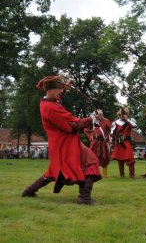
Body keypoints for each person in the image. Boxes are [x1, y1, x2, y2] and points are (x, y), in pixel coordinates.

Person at [22, 76, 101, 205]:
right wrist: (92, 119)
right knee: (90, 162)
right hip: (64, 143)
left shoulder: (48, 101)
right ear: (51, 90)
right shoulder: (51, 108)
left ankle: (29, 191)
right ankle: (84, 197)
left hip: (61, 142)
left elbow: (59, 93)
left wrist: (66, 85)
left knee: (54, 171)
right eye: (59, 89)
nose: (61, 91)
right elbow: (73, 125)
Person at [84, 109, 112, 178]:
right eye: (99, 114)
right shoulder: (92, 121)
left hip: (103, 142)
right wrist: (91, 137)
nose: (100, 116)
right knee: (93, 158)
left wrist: (108, 138)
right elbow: (86, 130)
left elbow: (111, 130)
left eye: (101, 114)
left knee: (104, 158)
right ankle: (95, 174)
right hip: (94, 142)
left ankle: (105, 175)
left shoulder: (106, 121)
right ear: (96, 115)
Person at [110, 107, 136, 178]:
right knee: (120, 160)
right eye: (122, 114)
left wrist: (127, 120)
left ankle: (132, 175)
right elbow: (112, 133)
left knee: (131, 159)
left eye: (125, 114)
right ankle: (122, 175)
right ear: (119, 114)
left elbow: (134, 126)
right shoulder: (115, 123)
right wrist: (112, 142)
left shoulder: (129, 122)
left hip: (127, 142)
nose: (123, 115)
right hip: (119, 143)